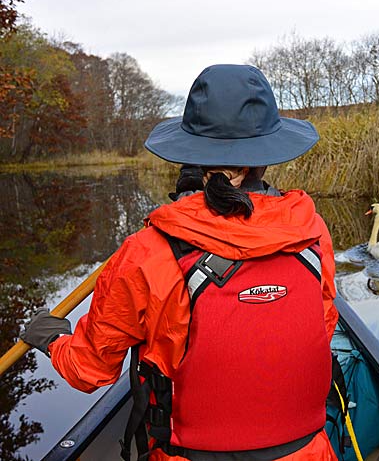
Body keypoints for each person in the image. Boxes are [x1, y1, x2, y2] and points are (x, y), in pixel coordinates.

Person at [21, 64, 339, 461]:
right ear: (266, 155)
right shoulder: (313, 234)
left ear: (193, 158)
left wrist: (50, 338)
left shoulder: (148, 250)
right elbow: (322, 328)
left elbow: (90, 369)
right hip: (310, 452)